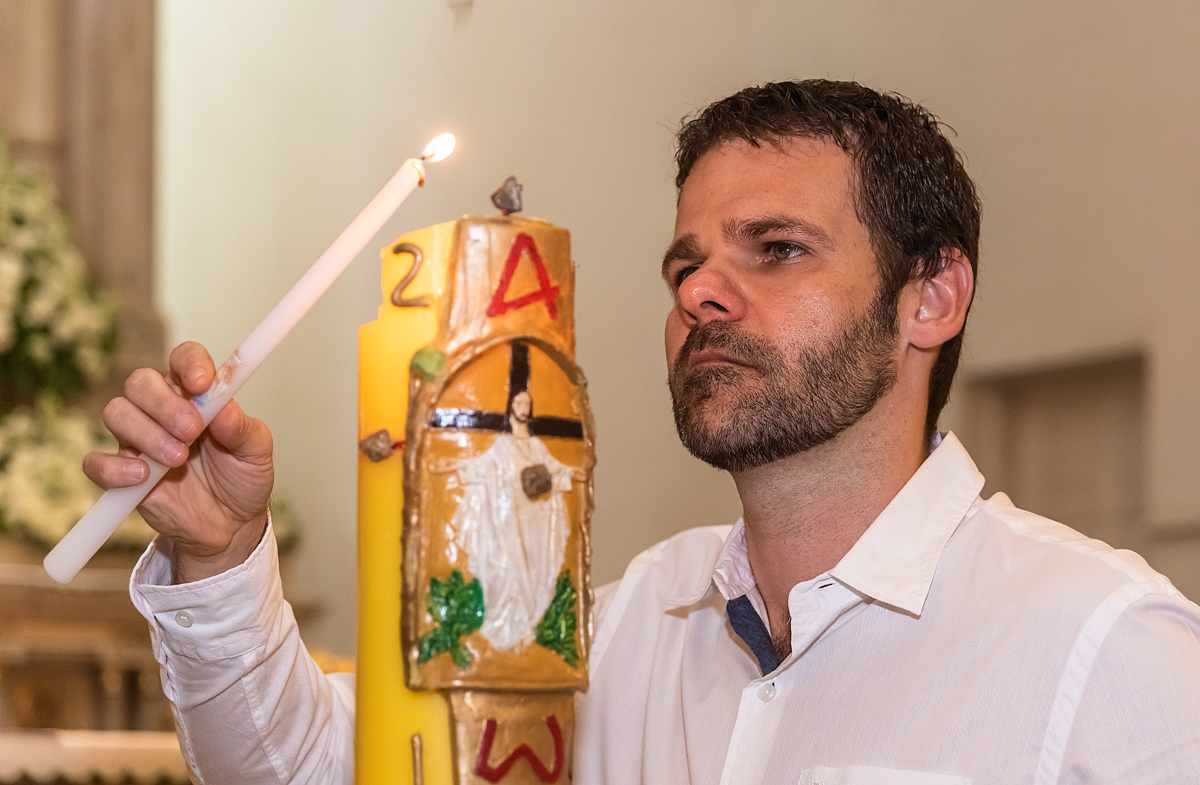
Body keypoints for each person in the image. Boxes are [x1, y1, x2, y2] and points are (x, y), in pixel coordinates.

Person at [88, 80, 1200, 784]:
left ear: (931, 297)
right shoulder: (614, 637)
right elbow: (325, 772)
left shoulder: (1098, 646)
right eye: (686, 265)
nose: (702, 294)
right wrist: (220, 555)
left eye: (776, 249)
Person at [435, 389, 579, 651]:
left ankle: (530, 625)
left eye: (527, 403)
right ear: (510, 406)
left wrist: (572, 472)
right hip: (507, 521)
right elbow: (483, 465)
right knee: (506, 570)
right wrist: (454, 464)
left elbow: (554, 468)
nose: (524, 408)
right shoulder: (502, 444)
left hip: (534, 517)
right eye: (519, 403)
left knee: (534, 568)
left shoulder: (535, 445)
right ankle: (505, 627)